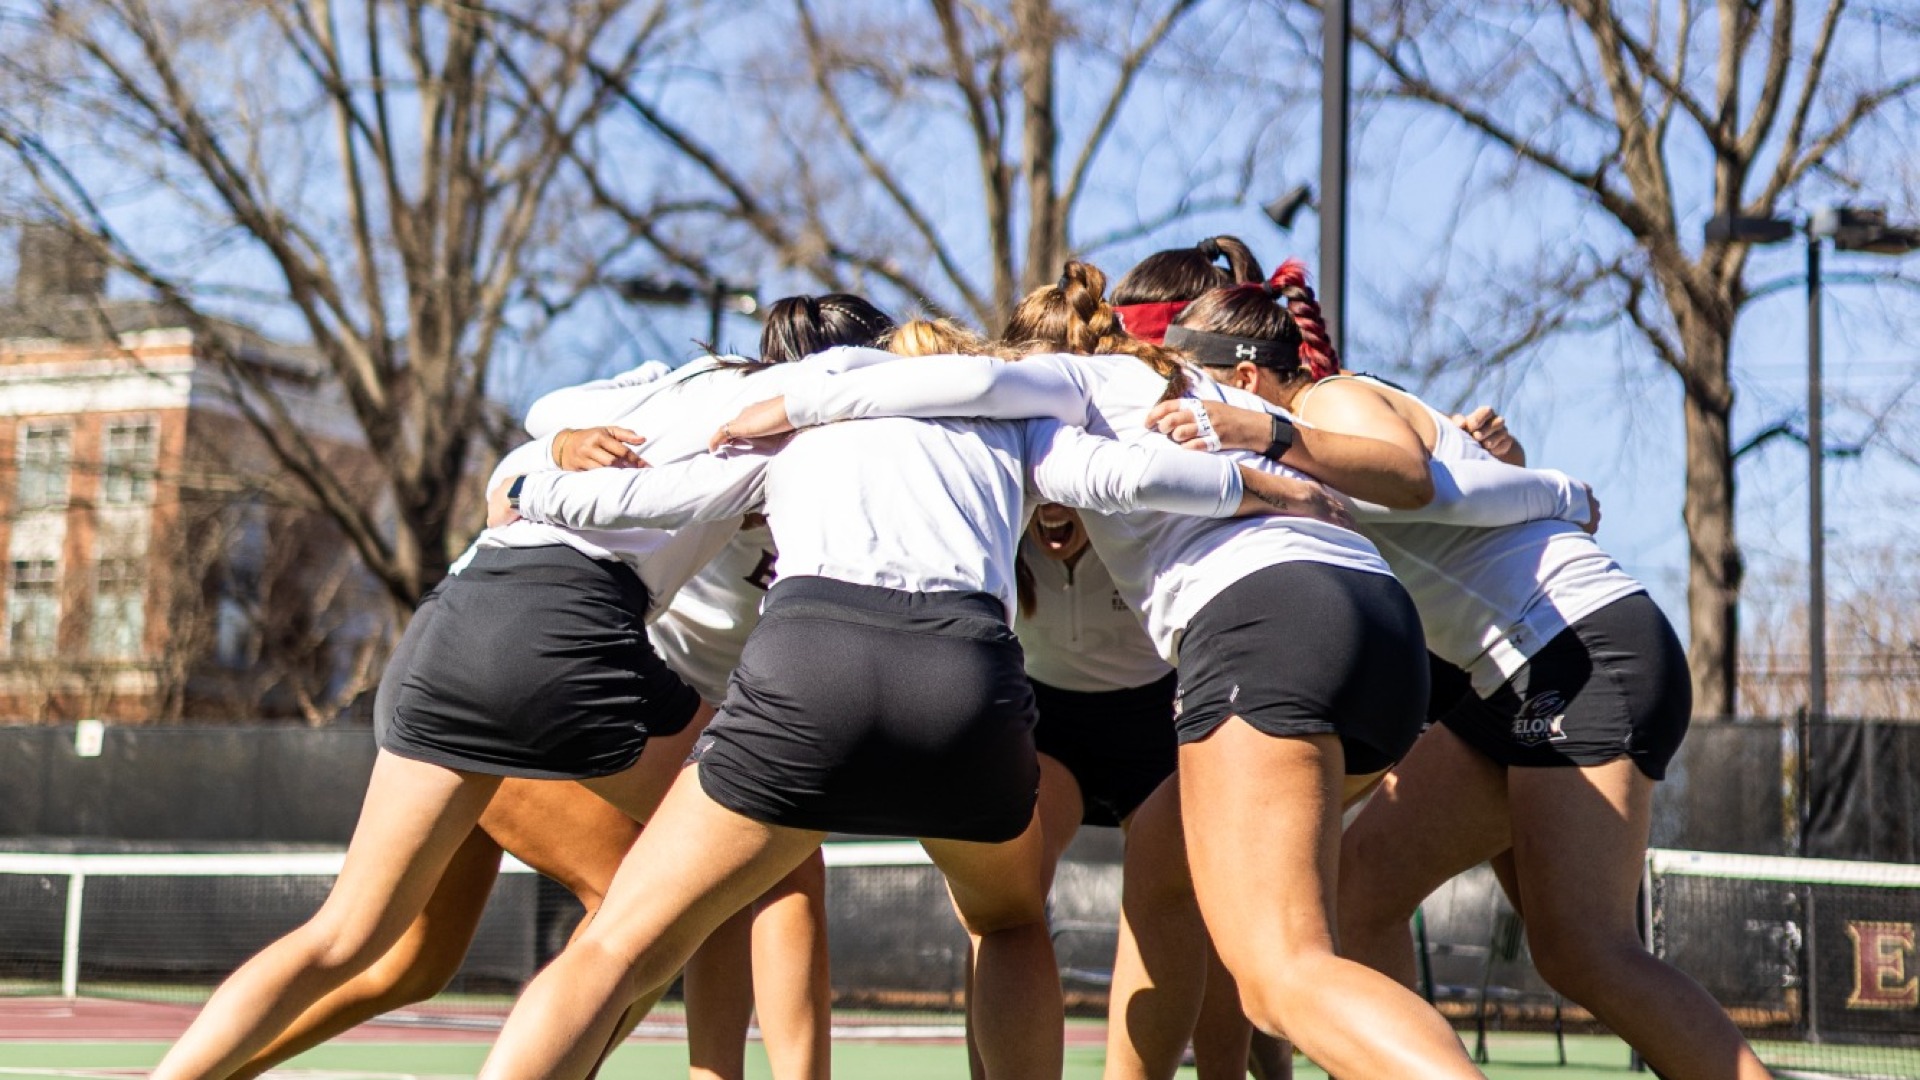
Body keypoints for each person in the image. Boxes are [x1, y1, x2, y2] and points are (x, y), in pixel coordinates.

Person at [709, 261, 1499, 1077]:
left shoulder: (1071, 386)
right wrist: (1544, 488)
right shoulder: (1196, 384)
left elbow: (966, 384)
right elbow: (1430, 478)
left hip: (1264, 629)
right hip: (1376, 630)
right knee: (1193, 889)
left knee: (1284, 974)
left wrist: (796, 402)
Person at [475, 349, 1339, 1079]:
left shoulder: (791, 410)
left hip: (811, 665)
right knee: (1008, 921)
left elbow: (641, 498)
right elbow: (1128, 475)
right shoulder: (1005, 418)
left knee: (616, 945)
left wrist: (526, 482)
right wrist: (1265, 488)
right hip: (964, 681)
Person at [153, 297, 901, 1080]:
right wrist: (540, 478)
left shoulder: (681, 382)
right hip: (567, 641)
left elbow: (546, 415)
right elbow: (588, 479)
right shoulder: (784, 433)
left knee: (352, 937)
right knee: (735, 863)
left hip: (455, 616)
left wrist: (540, 457)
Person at [1144, 262, 1772, 1080]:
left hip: (1581, 649)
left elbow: (1409, 476)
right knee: (1362, 890)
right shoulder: (1312, 437)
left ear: (1246, 378)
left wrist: (1262, 433)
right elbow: (1459, 489)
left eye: (1195, 388)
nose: (1190, 412)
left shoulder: (1328, 403)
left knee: (1583, 950)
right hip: (1509, 675)